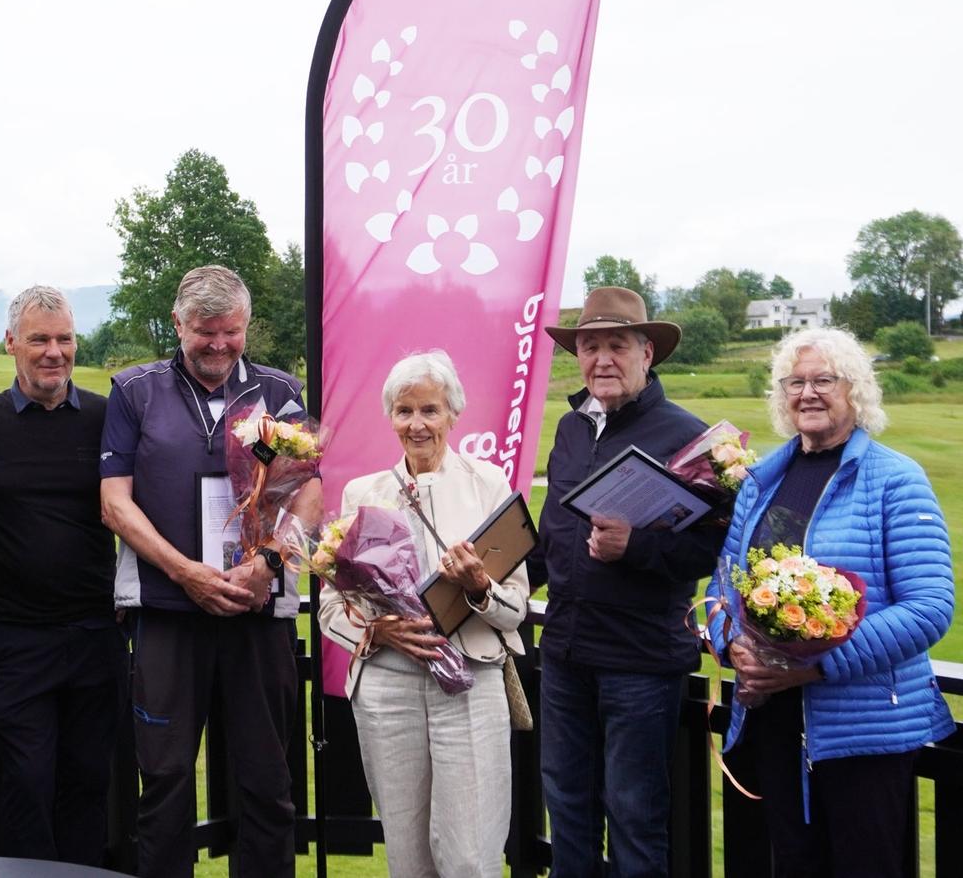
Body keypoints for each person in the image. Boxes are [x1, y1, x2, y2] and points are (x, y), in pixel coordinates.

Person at [100, 265, 321, 878]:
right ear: (178, 324)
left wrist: (270, 559)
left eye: (232, 332)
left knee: (267, 780)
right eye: (204, 332)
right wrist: (184, 573)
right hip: (169, 614)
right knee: (166, 782)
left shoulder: (281, 392)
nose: (219, 345)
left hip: (257, 610)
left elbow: (309, 493)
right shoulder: (134, 390)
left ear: (247, 326)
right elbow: (114, 502)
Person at [710, 327, 953, 877]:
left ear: (856, 390)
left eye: (824, 379)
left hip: (863, 734)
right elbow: (724, 585)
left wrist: (814, 669)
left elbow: (929, 605)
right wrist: (736, 649)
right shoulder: (762, 482)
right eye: (795, 382)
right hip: (774, 724)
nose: (808, 393)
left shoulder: (895, 480)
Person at [527, 286, 726, 877]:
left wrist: (634, 546)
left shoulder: (691, 439)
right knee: (567, 808)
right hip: (563, 653)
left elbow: (714, 547)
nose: (602, 360)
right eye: (590, 347)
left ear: (647, 353)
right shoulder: (569, 430)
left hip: (639, 659)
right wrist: (488, 584)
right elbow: (553, 539)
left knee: (635, 816)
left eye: (617, 345)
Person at [0, 286, 124, 865]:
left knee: (90, 788)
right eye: (39, 339)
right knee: (26, 789)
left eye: (64, 339)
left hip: (97, 635)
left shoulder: (105, 418)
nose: (53, 352)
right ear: (11, 342)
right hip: (18, 641)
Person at [317, 351, 528, 878]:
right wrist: (376, 630)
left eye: (430, 410)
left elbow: (516, 611)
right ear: (390, 416)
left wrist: (479, 585)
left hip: (470, 683)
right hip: (388, 689)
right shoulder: (363, 494)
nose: (417, 424)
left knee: (469, 857)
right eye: (404, 411)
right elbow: (329, 606)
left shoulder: (489, 485)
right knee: (408, 856)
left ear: (453, 414)